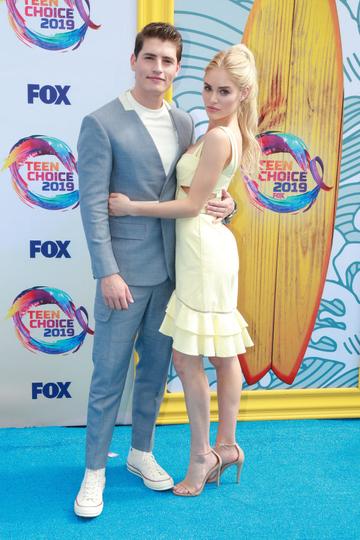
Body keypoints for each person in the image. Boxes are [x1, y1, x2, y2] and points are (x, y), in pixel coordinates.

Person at [75, 22, 235, 517]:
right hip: (124, 275)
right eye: (150, 58)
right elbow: (93, 205)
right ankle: (95, 473)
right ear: (134, 60)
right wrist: (107, 271)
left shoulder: (188, 123)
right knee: (108, 376)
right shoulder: (101, 122)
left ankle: (141, 455)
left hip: (177, 274)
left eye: (168, 61)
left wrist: (226, 206)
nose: (158, 69)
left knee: (156, 374)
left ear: (177, 68)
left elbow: (196, 194)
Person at [108, 43, 259, 497]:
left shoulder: (216, 136)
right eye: (208, 88)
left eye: (225, 92)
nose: (212, 99)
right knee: (221, 354)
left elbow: (193, 204)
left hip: (202, 252)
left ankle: (203, 456)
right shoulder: (221, 131)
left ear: (243, 94)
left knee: (190, 357)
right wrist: (227, 205)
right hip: (204, 248)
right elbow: (209, 196)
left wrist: (132, 207)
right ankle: (227, 447)